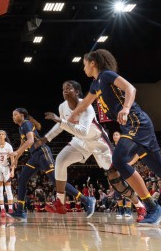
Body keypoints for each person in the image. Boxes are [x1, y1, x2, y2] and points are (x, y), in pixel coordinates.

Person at [68, 49, 161, 225]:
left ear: (93, 63)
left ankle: (152, 207)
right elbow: (85, 103)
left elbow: (130, 88)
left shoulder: (107, 75)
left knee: (118, 161)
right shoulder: (96, 85)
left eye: (84, 64)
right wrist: (71, 116)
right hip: (136, 126)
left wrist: (126, 108)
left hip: (136, 122)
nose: (83, 68)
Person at [42, 80, 146, 220]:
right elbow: (62, 126)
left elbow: (83, 131)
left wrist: (61, 121)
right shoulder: (62, 107)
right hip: (81, 141)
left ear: (77, 92)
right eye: (63, 88)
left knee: (117, 182)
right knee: (60, 160)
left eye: (69, 88)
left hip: (98, 142)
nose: (65, 90)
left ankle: (140, 206)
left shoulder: (87, 106)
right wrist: (46, 138)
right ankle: (60, 202)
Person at [6, 108, 83, 221]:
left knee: (57, 182)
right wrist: (15, 160)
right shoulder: (21, 128)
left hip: (42, 153)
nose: (13, 117)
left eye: (15, 114)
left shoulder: (27, 123)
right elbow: (23, 145)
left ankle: (85, 199)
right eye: (12, 115)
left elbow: (31, 141)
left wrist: (17, 152)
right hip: (34, 157)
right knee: (22, 179)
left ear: (22, 115)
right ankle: (20, 212)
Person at [0, 130, 15, 217]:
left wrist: (12, 170)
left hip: (6, 168)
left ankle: (11, 209)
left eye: (2, 134)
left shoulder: (9, 146)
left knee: (8, 189)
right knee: (0, 189)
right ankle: (2, 209)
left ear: (5, 136)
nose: (1, 135)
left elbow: (13, 160)